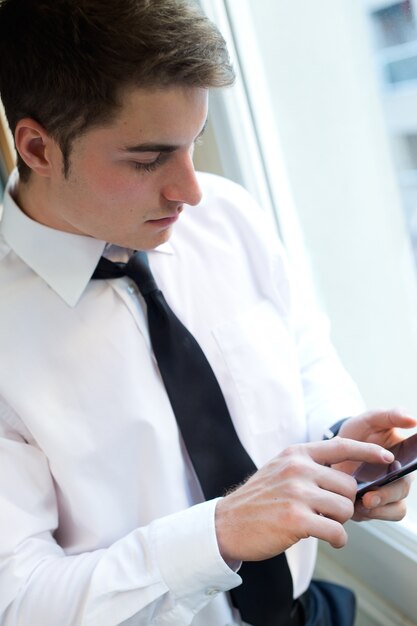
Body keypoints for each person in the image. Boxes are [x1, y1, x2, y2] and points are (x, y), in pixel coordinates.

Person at [0, 1, 414, 625]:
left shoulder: (228, 215)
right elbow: (20, 600)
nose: (190, 190)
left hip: (311, 610)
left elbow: (303, 355)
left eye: (194, 142)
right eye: (147, 159)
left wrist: (336, 438)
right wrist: (217, 534)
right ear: (35, 147)